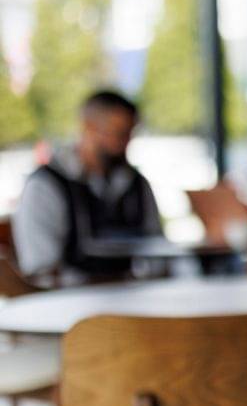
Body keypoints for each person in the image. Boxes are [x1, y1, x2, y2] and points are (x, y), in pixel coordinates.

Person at [13, 90, 163, 286]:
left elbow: (158, 250)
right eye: (117, 133)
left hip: (132, 305)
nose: (124, 144)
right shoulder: (47, 185)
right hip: (67, 307)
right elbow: (41, 269)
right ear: (88, 127)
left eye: (129, 134)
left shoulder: (136, 184)